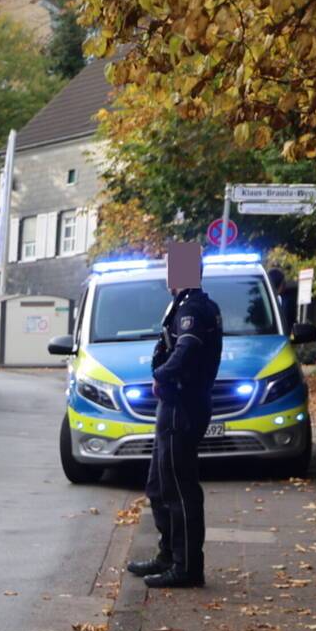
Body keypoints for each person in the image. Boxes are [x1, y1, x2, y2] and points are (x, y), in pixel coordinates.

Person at [129, 242, 221, 588]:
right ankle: (168, 554)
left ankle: (186, 567)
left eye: (172, 268)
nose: (167, 275)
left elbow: (186, 350)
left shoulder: (193, 307)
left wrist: (161, 375)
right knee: (159, 485)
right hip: (177, 405)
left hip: (182, 405)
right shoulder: (187, 304)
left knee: (179, 489)